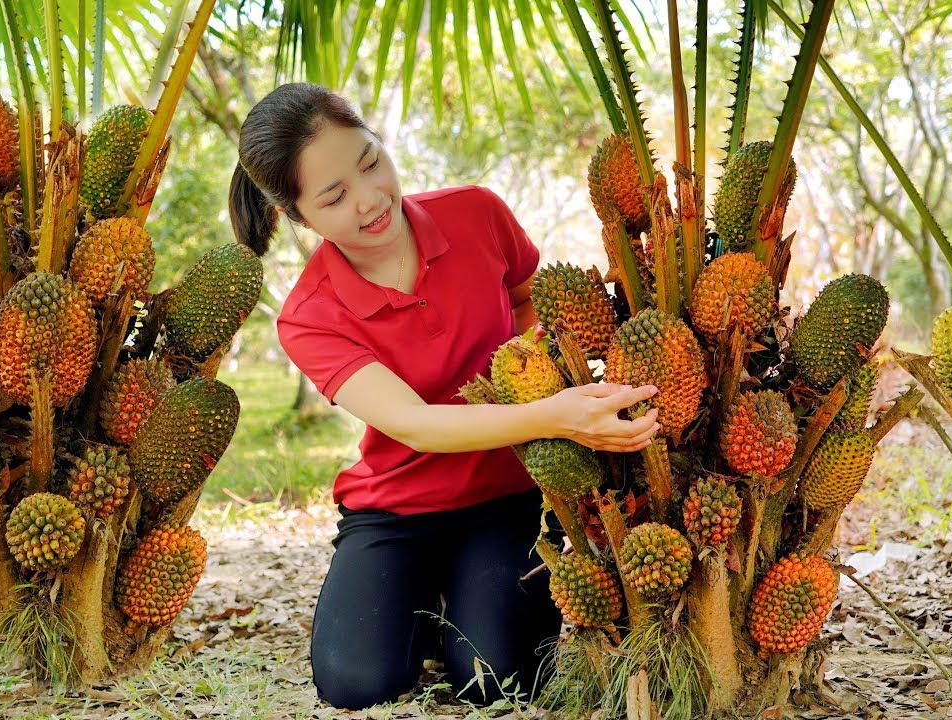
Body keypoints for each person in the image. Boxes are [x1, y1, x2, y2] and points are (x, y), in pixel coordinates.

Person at [229, 82, 659, 711]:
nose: (371, 199)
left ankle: (469, 591)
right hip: (397, 508)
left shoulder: (477, 213)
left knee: (495, 679)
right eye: (335, 197)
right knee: (354, 683)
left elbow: (527, 299)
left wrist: (540, 375)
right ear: (300, 217)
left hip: (508, 498)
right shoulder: (309, 315)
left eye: (370, 162)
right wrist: (558, 416)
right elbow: (415, 424)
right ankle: (423, 597)